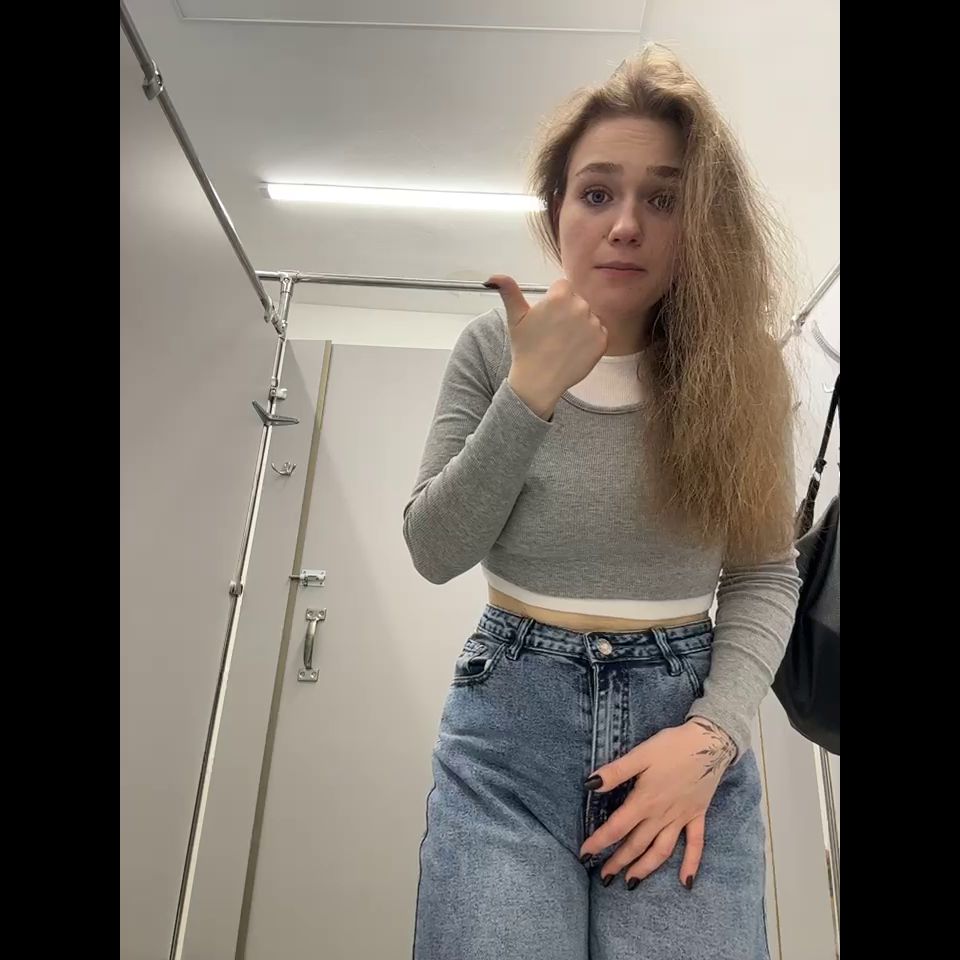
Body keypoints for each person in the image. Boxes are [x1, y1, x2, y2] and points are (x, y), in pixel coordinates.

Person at [403, 43, 800, 960]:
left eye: (663, 199)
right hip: (507, 739)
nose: (626, 224)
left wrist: (713, 736)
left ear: (700, 222)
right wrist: (529, 394)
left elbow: (765, 574)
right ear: (557, 212)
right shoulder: (491, 349)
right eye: (597, 192)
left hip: (682, 727)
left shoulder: (744, 369)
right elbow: (433, 548)